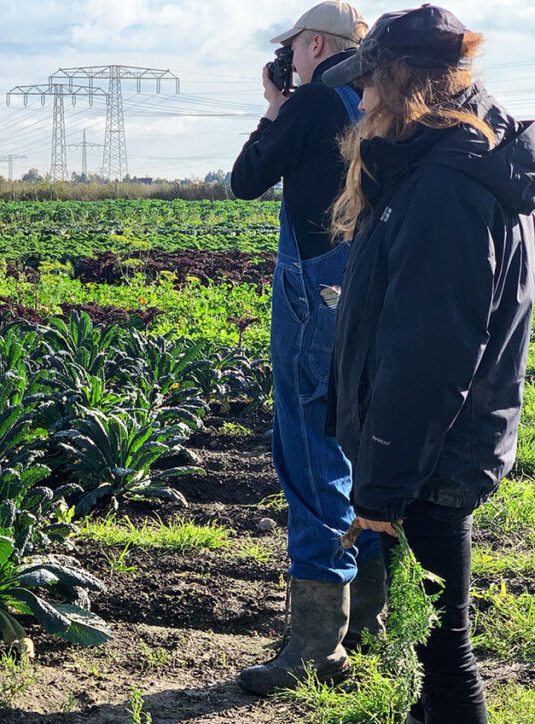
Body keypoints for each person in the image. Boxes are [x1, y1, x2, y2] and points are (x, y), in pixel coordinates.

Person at [323, 6, 535, 723]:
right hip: (431, 454)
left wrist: (383, 488)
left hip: (428, 462)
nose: (363, 101)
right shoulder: (439, 167)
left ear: (402, 79)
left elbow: (430, 353)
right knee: (432, 656)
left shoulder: (448, 186)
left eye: (370, 85)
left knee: (446, 661)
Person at [231, 1, 385, 696]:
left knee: (309, 451)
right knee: (361, 443)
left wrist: (273, 106)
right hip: (374, 292)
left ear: (314, 44)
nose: (287, 59)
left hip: (313, 293)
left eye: (292, 48)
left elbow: (244, 180)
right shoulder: (380, 99)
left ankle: (316, 642)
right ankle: (367, 621)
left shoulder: (312, 101)